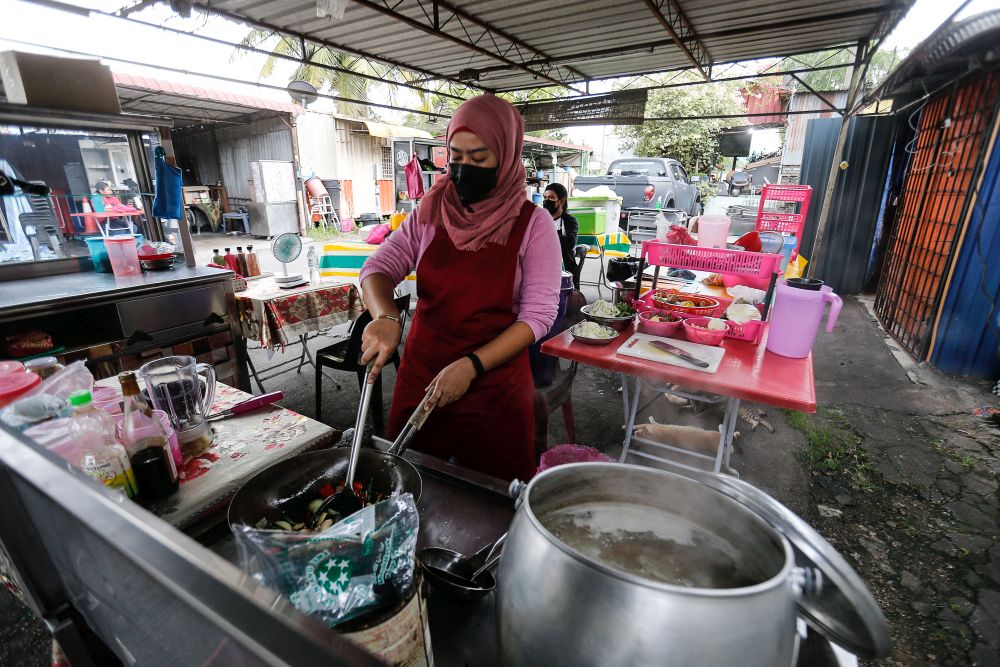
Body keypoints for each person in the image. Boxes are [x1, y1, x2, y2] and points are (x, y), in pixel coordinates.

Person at [359, 94, 562, 481]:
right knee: (404, 484)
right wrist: (385, 315)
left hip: (495, 388)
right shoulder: (430, 211)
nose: (464, 168)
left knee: (491, 501)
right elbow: (378, 266)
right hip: (423, 376)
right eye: (455, 156)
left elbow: (538, 317)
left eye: (479, 158)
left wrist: (472, 365)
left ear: (505, 155)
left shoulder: (534, 226)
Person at [541, 183, 578, 273]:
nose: (547, 201)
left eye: (551, 198)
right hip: (543, 267)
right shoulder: (541, 221)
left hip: (565, 270)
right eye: (545, 197)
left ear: (561, 201)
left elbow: (570, 242)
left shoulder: (569, 221)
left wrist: (545, 236)